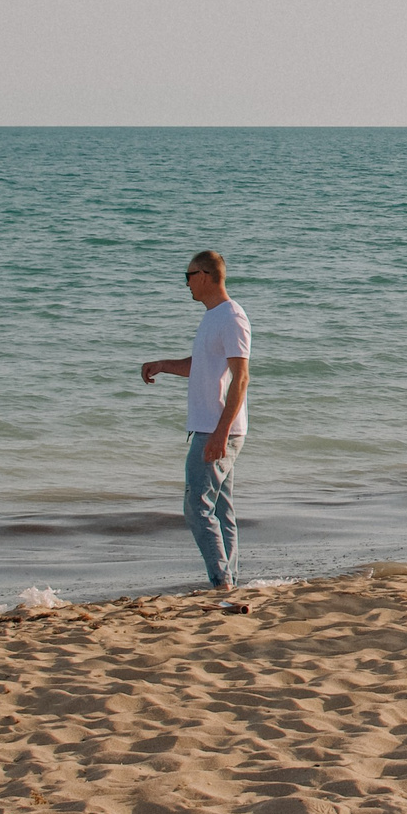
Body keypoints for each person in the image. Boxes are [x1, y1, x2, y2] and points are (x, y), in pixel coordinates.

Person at [140, 251, 252, 601]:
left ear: (204, 275)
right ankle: (229, 580)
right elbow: (200, 366)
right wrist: (162, 364)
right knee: (221, 509)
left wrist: (220, 432)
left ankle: (221, 583)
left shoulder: (232, 318)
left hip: (217, 428)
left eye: (187, 275)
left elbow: (241, 378)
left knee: (196, 507)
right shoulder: (212, 318)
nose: (185, 282)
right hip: (213, 427)